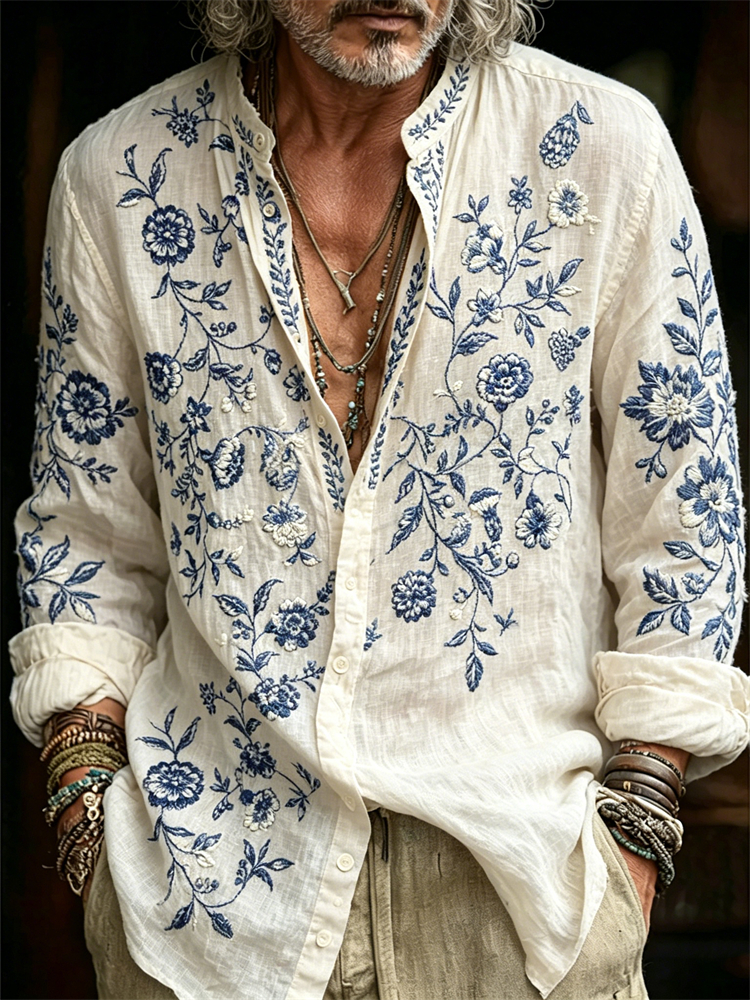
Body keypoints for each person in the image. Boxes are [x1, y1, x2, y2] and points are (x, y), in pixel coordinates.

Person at [9, 1, 747, 998]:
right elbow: (86, 542)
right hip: (205, 914)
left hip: (523, 904)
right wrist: (90, 819)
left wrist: (634, 843)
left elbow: (684, 524)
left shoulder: (602, 153)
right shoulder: (120, 179)